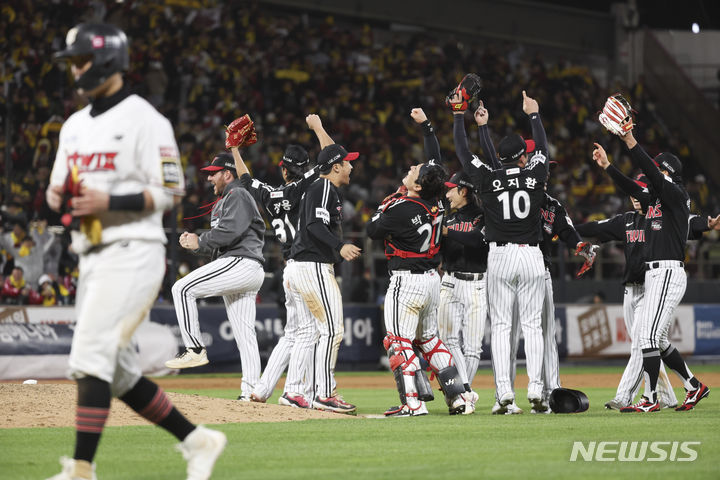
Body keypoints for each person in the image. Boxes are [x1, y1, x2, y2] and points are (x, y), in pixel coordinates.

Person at [46, 23, 225, 480]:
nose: (77, 70)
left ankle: (82, 469)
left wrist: (109, 202)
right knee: (120, 373)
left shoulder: (146, 120)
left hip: (134, 250)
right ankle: (198, 440)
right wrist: (60, 200)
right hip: (92, 254)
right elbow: (55, 194)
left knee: (88, 356)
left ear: (106, 61)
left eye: (82, 60)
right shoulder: (73, 126)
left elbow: (171, 190)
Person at [588, 143, 718, 412]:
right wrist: (608, 167)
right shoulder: (659, 200)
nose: (652, 175)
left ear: (667, 173)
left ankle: (650, 399)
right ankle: (694, 386)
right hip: (656, 273)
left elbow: (651, 176)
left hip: (667, 271)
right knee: (656, 340)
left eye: (658, 169)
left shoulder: (675, 194)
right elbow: (634, 188)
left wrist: (630, 140)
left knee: (646, 338)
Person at [367, 108, 476, 416]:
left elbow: (372, 229)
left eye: (415, 171)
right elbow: (436, 166)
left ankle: (412, 404)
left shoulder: (401, 206)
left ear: (417, 186)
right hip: (432, 280)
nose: (413, 167)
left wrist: (384, 205)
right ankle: (460, 398)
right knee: (430, 341)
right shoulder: (440, 201)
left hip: (407, 281)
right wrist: (427, 129)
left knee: (399, 341)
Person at [452, 89, 549, 413]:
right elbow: (543, 151)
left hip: (500, 257)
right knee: (533, 325)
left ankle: (504, 393)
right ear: (523, 156)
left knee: (503, 327)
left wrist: (460, 116)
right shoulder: (535, 175)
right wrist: (533, 115)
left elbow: (464, 152)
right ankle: (536, 387)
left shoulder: (489, 178)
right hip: (532, 254)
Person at [229, 114, 329, 408]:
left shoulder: (271, 194)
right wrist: (318, 128)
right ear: (303, 169)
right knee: (310, 332)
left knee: (292, 333)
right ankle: (296, 390)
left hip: (287, 266)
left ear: (283, 169)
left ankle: (261, 389)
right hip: (306, 266)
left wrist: (235, 150)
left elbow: (245, 180)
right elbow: (330, 158)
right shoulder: (307, 186)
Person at [165, 153, 266, 402]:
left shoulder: (237, 193)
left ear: (227, 174)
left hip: (241, 262)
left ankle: (195, 348)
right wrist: (198, 244)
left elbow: (229, 232)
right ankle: (251, 392)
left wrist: (199, 240)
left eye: (214, 172)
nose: (209, 177)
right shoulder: (226, 198)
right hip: (243, 267)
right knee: (245, 334)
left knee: (182, 288)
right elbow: (223, 237)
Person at [284, 136, 362, 414]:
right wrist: (339, 246)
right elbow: (315, 225)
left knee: (311, 332)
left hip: (300, 265)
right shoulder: (325, 186)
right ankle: (324, 393)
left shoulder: (319, 187)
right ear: (336, 167)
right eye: (348, 163)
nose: (352, 167)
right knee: (332, 330)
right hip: (312, 265)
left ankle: (298, 390)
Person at [437, 171, 487, 398]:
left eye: (451, 189)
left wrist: (447, 232)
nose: (447, 194)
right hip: (449, 282)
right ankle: (465, 391)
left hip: (476, 285)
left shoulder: (483, 216)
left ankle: (462, 390)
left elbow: (477, 240)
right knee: (448, 339)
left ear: (463, 191)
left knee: (474, 347)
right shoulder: (447, 217)